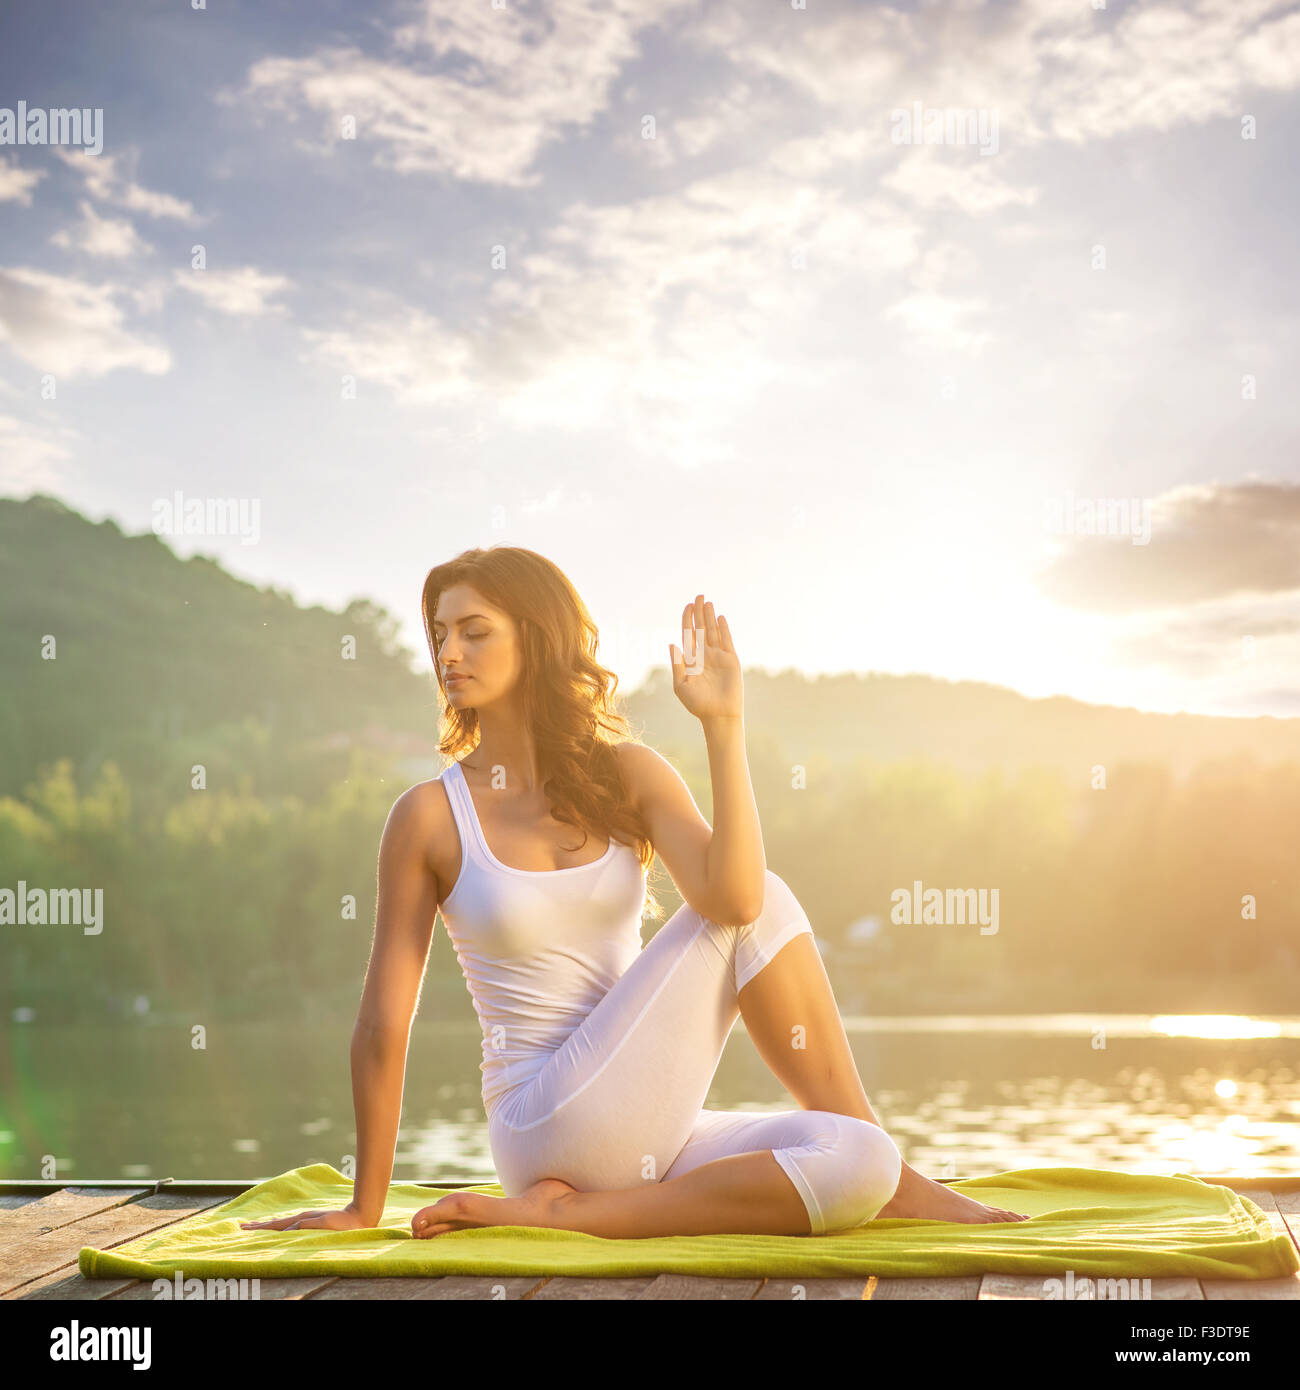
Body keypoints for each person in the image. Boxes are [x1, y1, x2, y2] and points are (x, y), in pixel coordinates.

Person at [243, 548, 1028, 1240]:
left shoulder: (628, 774)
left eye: (474, 630)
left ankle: (596, 1213)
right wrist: (363, 1205)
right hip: (542, 1123)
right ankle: (561, 1204)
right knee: (765, 901)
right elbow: (384, 1021)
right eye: (441, 633)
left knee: (856, 1159)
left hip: (643, 1122)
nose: (450, 651)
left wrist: (725, 726)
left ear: (537, 637)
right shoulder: (428, 817)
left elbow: (733, 893)